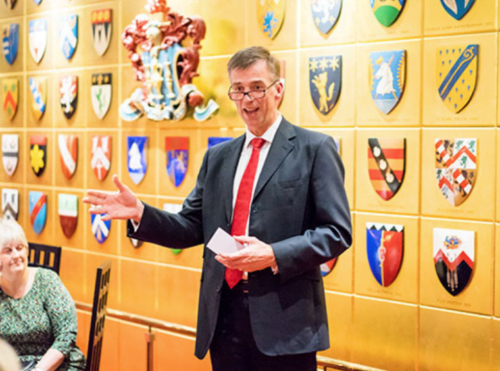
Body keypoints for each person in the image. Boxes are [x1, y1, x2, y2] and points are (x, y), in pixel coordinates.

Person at [83, 46, 352, 371]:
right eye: (238, 90)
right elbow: (191, 227)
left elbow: (336, 233)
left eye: (257, 88)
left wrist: (272, 254)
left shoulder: (315, 149)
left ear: (278, 89)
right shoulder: (218, 157)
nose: (247, 100)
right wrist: (141, 211)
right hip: (223, 317)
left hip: (285, 325)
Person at [0, 219, 86, 371]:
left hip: (55, 364)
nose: (16, 255)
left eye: (20, 248)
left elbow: (66, 335)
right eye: (8, 250)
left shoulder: (46, 280)